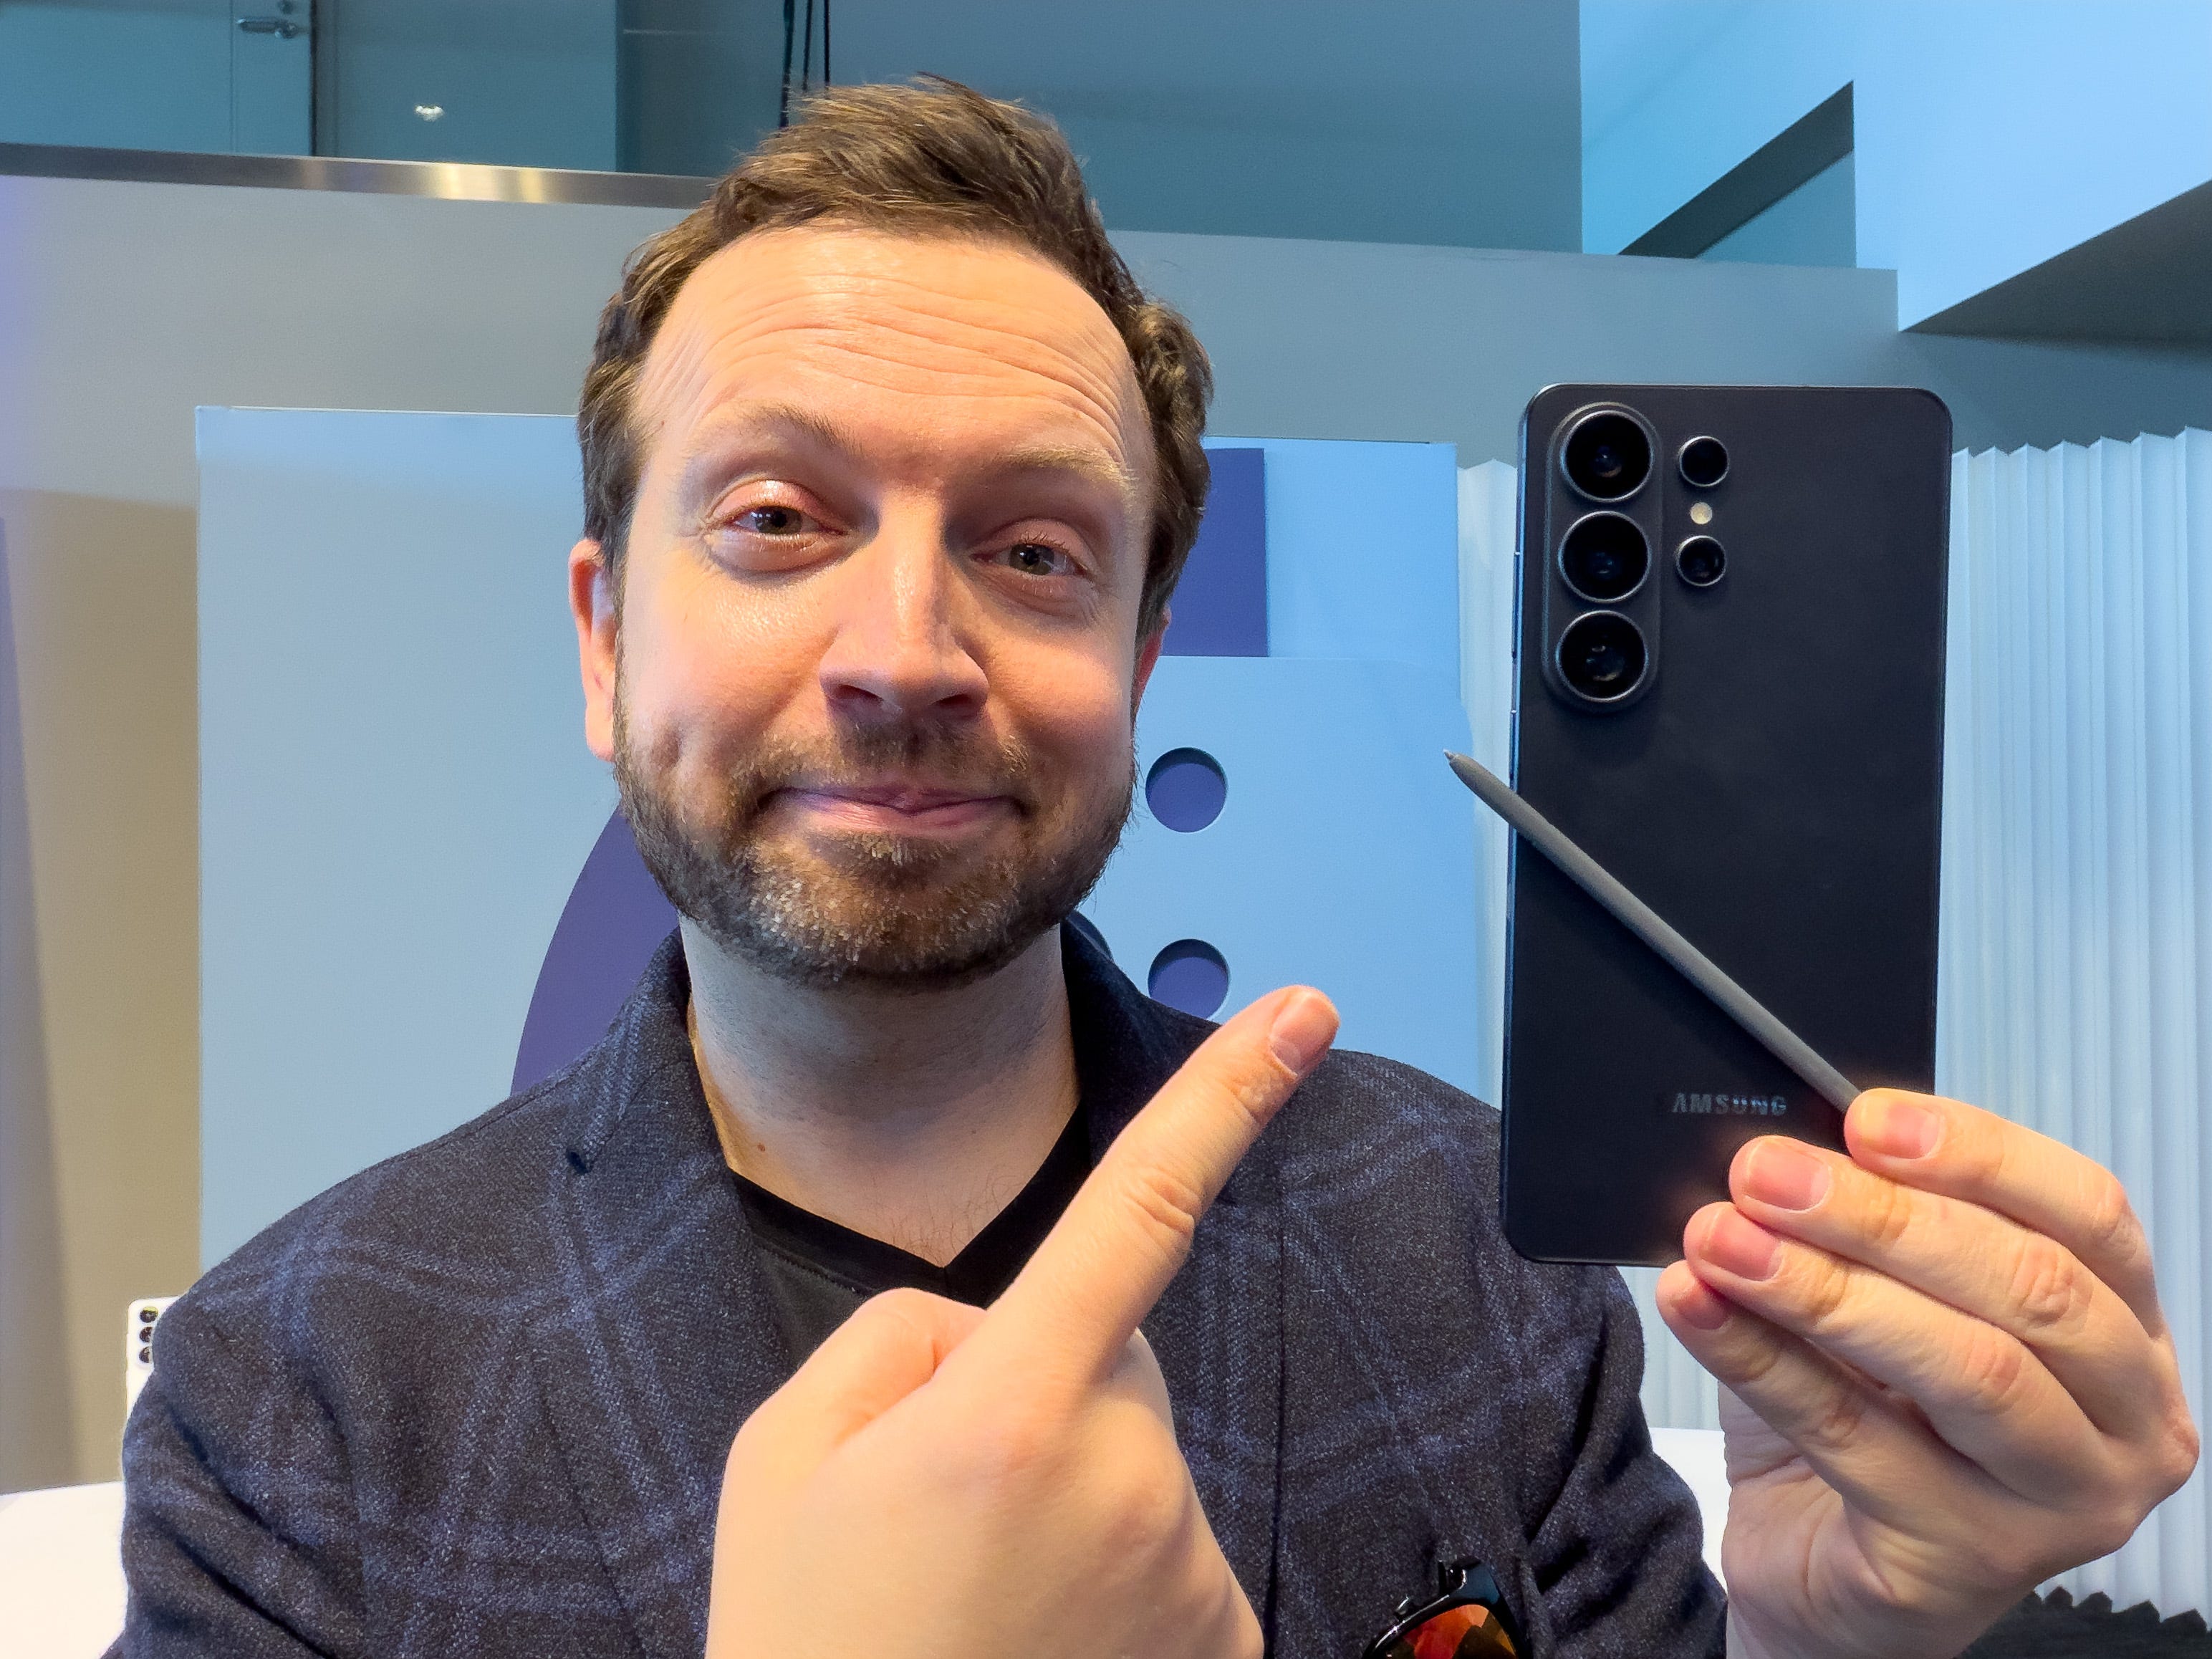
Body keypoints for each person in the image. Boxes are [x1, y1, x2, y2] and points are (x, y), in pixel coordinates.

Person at [116, 80, 2196, 1659]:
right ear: (603, 639)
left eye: (1035, 550)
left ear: (1138, 655)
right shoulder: (290, 1403)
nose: (906, 654)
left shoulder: (1475, 1257)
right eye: (776, 520)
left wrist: (1831, 1643)